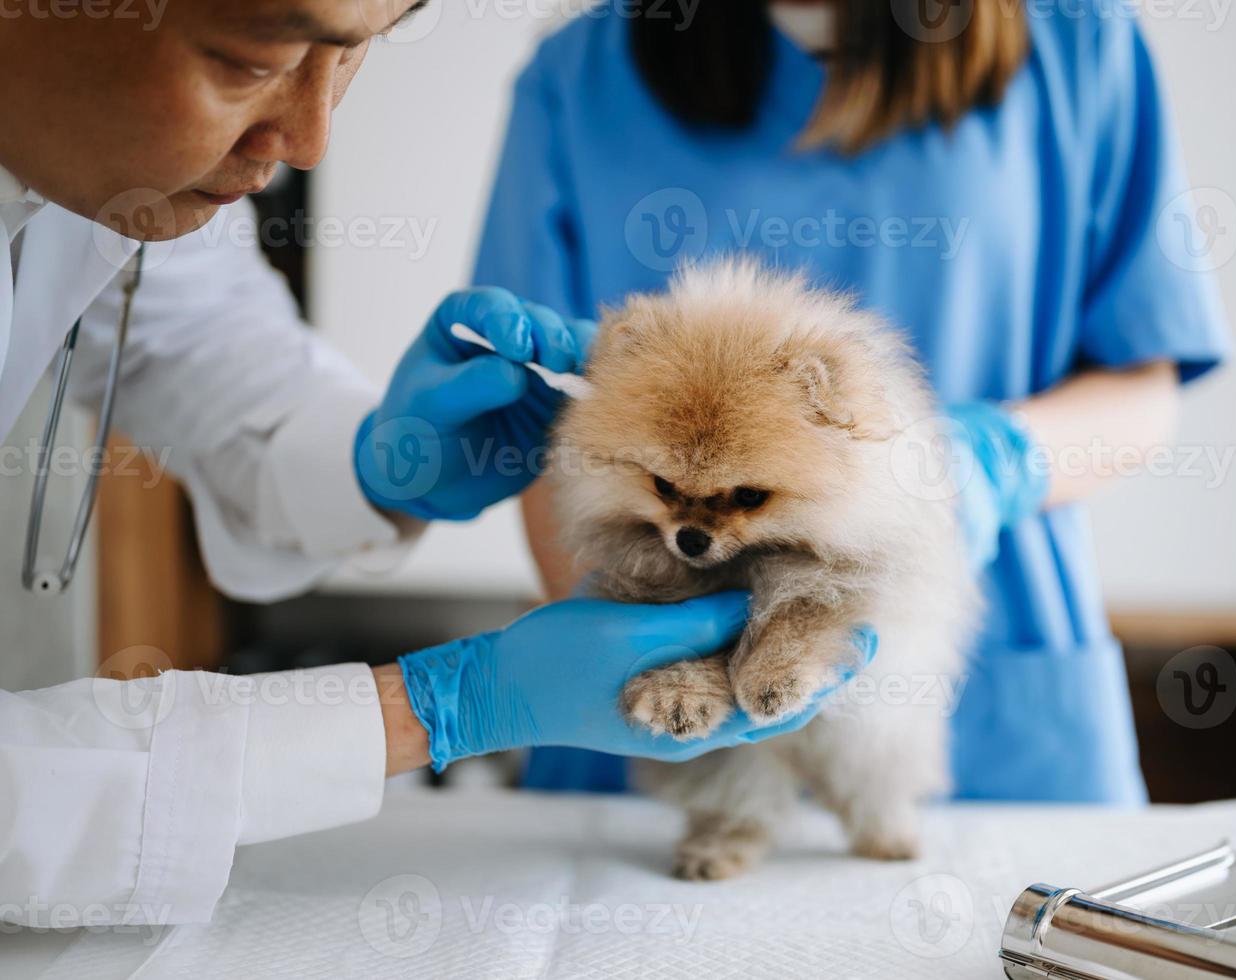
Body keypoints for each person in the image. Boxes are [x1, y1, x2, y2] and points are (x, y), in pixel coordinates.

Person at [0, 0, 866, 927]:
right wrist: (432, 711)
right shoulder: (581, 75)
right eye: (250, 61)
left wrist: (374, 464)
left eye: (355, 55)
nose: (308, 141)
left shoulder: (145, 172)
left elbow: (199, 348)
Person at [476, 0, 1231, 800]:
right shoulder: (580, 74)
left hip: (989, 679)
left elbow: (1142, 383)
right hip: (656, 676)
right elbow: (546, 422)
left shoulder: (1079, 43)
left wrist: (990, 462)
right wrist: (642, 643)